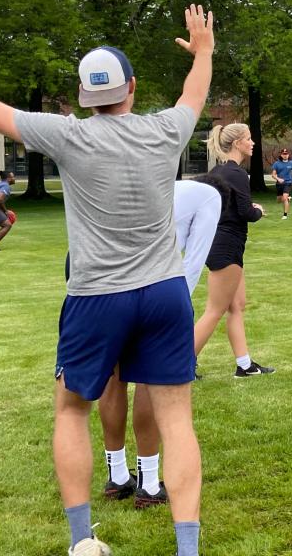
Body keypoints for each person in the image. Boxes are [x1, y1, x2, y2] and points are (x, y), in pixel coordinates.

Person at [0, 4, 213, 556]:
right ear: (131, 87)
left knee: (70, 410)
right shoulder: (164, 130)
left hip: (96, 297)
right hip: (164, 294)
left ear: (84, 96)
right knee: (177, 421)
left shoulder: (66, 135)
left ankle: (83, 543)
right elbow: (194, 93)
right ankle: (187, 550)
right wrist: (203, 51)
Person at [98, 174, 227, 510]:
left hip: (105, 284)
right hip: (155, 290)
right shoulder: (210, 199)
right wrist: (177, 308)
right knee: (149, 380)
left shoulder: (146, 187)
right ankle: (150, 483)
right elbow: (194, 260)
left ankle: (117, 476)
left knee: (115, 377)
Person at [193, 123, 275, 378]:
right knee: (214, 310)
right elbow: (245, 213)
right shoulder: (237, 174)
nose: (252, 143)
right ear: (237, 142)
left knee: (237, 305)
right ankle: (181, 364)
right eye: (249, 139)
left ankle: (244, 365)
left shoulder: (217, 172)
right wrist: (258, 210)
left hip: (223, 245)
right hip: (226, 246)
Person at [270, 148, 292, 219]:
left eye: (286, 154)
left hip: (288, 183)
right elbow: (273, 175)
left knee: (285, 198)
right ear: (281, 155)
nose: (285, 155)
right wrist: (278, 179)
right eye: (284, 154)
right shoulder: (276, 164)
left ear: (288, 155)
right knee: (279, 200)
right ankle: (287, 198)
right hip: (279, 184)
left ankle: (285, 215)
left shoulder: (291, 163)